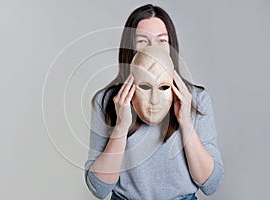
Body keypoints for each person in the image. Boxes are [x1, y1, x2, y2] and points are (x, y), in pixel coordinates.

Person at [84, 4, 224, 200]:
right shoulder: (107, 101)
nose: (152, 48)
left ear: (171, 47)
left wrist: (185, 121)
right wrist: (121, 127)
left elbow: (211, 184)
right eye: (142, 41)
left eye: (161, 40)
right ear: (130, 48)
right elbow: (99, 189)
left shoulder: (197, 99)